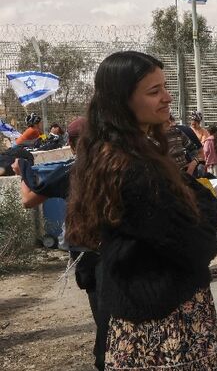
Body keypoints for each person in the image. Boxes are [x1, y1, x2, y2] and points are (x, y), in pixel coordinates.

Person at [65, 51, 217, 370]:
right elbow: (198, 243)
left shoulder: (121, 155)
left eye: (164, 87)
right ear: (121, 102)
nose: (167, 98)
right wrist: (203, 204)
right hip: (162, 327)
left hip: (149, 317)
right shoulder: (133, 170)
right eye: (154, 92)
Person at [15, 118, 108, 370]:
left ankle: (105, 358)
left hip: (90, 254)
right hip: (121, 250)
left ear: (71, 143)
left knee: (104, 315)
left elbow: (28, 200)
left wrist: (21, 171)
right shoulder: (117, 166)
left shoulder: (71, 170)